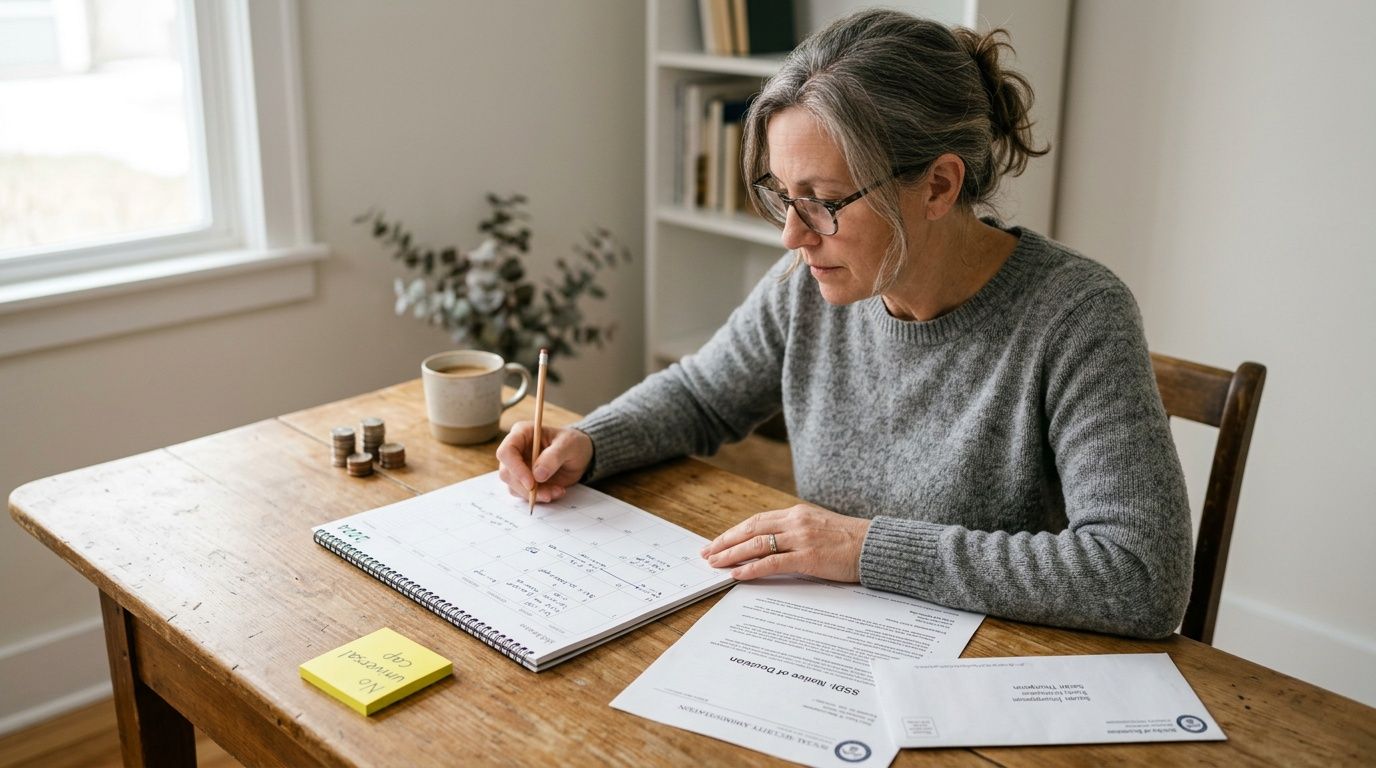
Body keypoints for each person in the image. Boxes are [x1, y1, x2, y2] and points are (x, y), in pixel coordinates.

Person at [496, 9, 1193, 639]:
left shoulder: (1077, 315)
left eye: (824, 201)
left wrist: (862, 549)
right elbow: (703, 395)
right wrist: (588, 441)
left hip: (986, 672)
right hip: (830, 641)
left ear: (939, 186)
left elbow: (1138, 575)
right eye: (782, 195)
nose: (792, 237)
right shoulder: (810, 283)